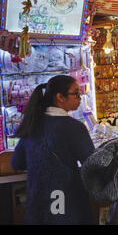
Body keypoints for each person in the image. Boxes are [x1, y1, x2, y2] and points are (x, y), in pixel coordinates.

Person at [11, 75, 95, 224]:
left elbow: (17, 162)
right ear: (60, 97)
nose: (79, 97)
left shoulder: (33, 124)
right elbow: (92, 164)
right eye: (75, 93)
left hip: (37, 205)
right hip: (65, 205)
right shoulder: (74, 128)